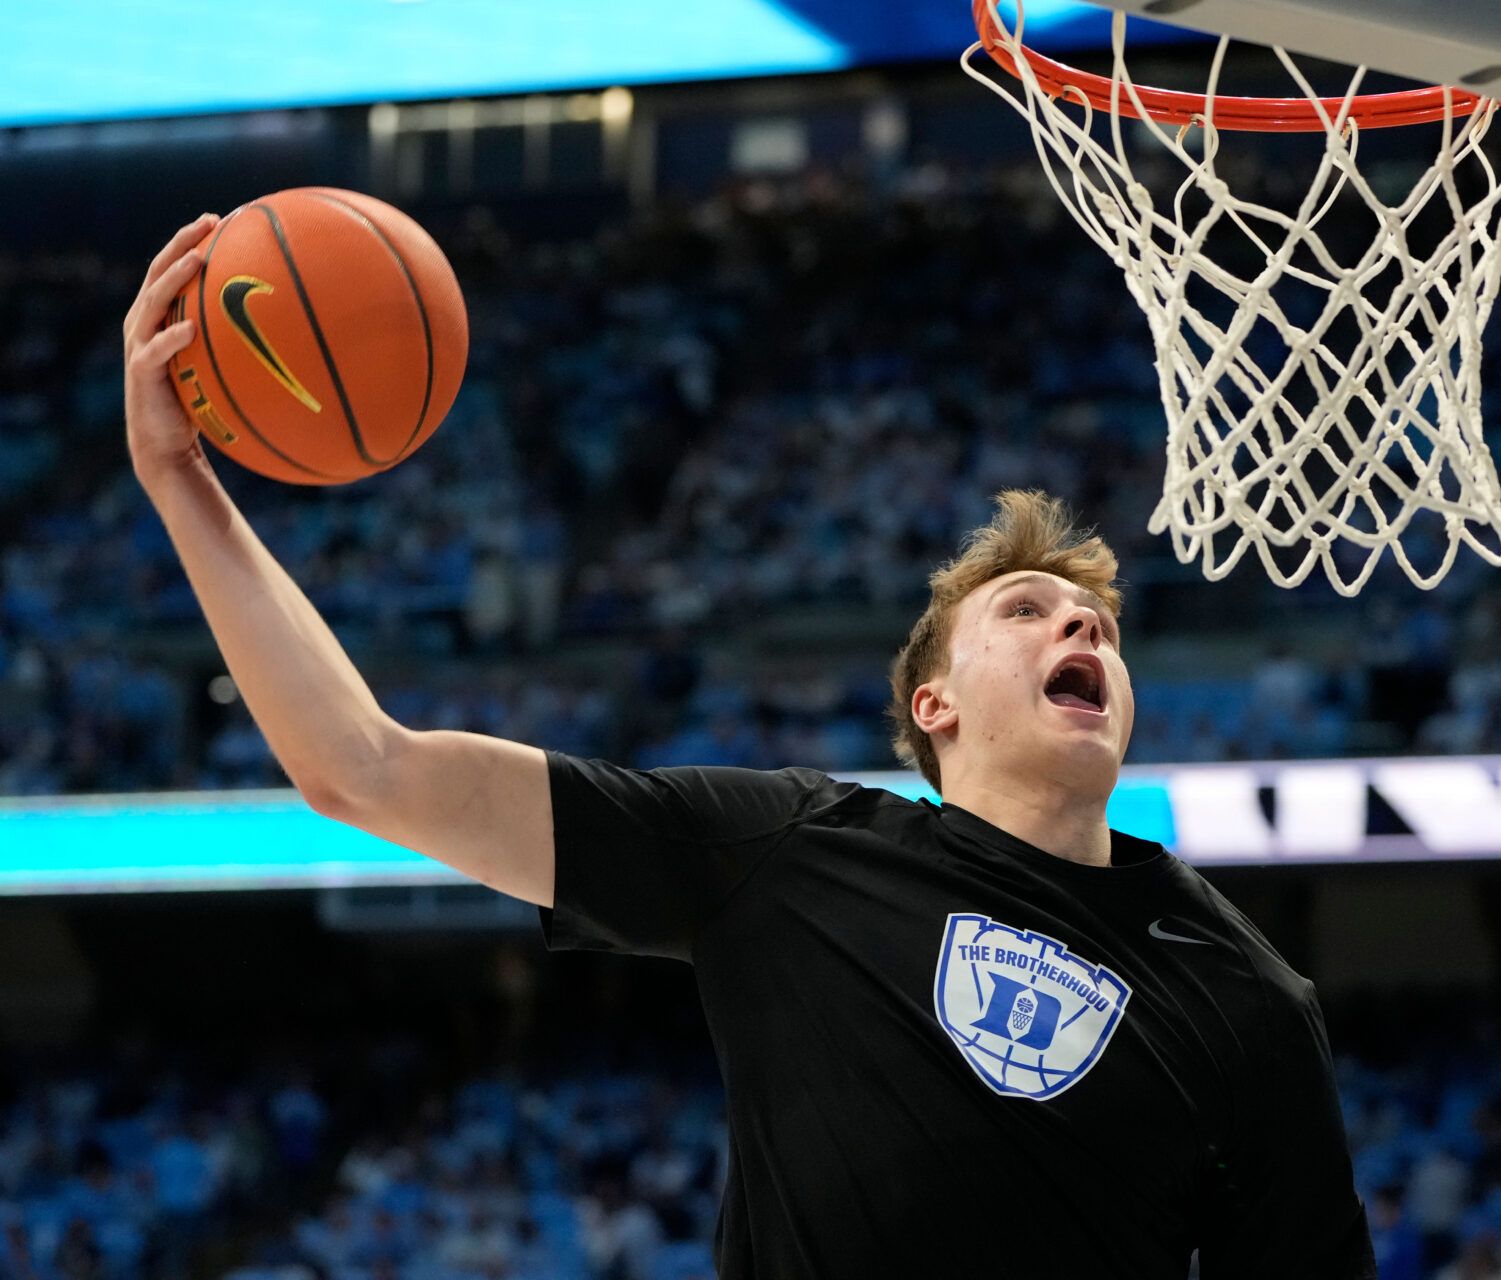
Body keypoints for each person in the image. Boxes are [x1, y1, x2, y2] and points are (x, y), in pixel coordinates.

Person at [125, 215, 1376, 1279]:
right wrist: (185, 483)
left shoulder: (1246, 991)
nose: (1084, 621)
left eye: (1096, 619)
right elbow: (363, 766)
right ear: (933, 706)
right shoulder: (784, 850)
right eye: (1028, 609)